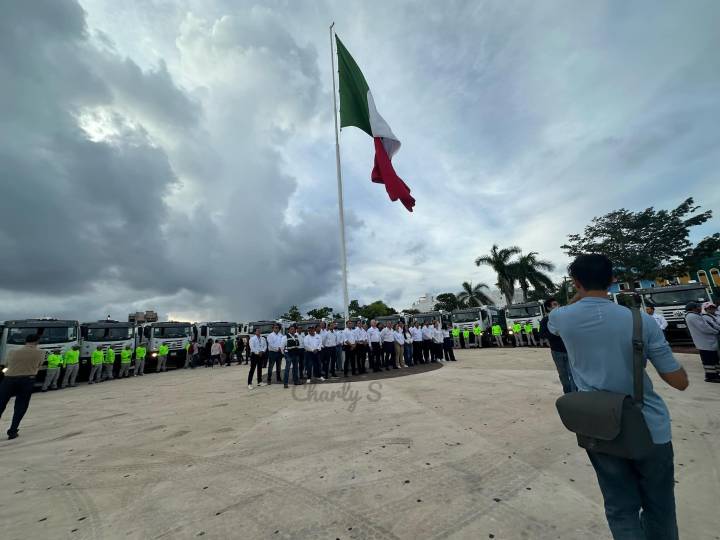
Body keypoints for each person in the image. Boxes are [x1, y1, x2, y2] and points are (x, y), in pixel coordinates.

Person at [549, 254, 688, 539]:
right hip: (650, 426)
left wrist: (580, 293)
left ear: (576, 283)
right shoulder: (641, 321)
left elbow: (564, 312)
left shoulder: (561, 318)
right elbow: (678, 381)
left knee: (620, 506)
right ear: (613, 280)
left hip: (599, 427)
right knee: (660, 507)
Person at [0, 334, 45, 439]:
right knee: (21, 405)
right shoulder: (41, 353)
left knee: (1, 404)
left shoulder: (12, 352)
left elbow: (7, 365)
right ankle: (13, 431)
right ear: (37, 341)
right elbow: (39, 365)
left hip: (8, 379)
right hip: (27, 380)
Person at [539, 298, 575, 394]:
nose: (557, 306)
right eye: (554, 304)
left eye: (558, 304)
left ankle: (575, 394)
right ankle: (568, 394)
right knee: (563, 374)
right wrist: (556, 332)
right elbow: (542, 334)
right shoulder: (545, 320)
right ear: (548, 308)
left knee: (573, 374)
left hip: (569, 350)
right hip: (557, 351)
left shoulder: (565, 318)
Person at [685, 301, 720, 382]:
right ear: (694, 308)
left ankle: (715, 374)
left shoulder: (695, 315)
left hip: (707, 342)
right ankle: (711, 377)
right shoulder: (692, 316)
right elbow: (705, 328)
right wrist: (716, 331)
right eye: (698, 307)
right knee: (709, 360)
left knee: (713, 359)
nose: (700, 308)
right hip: (705, 342)